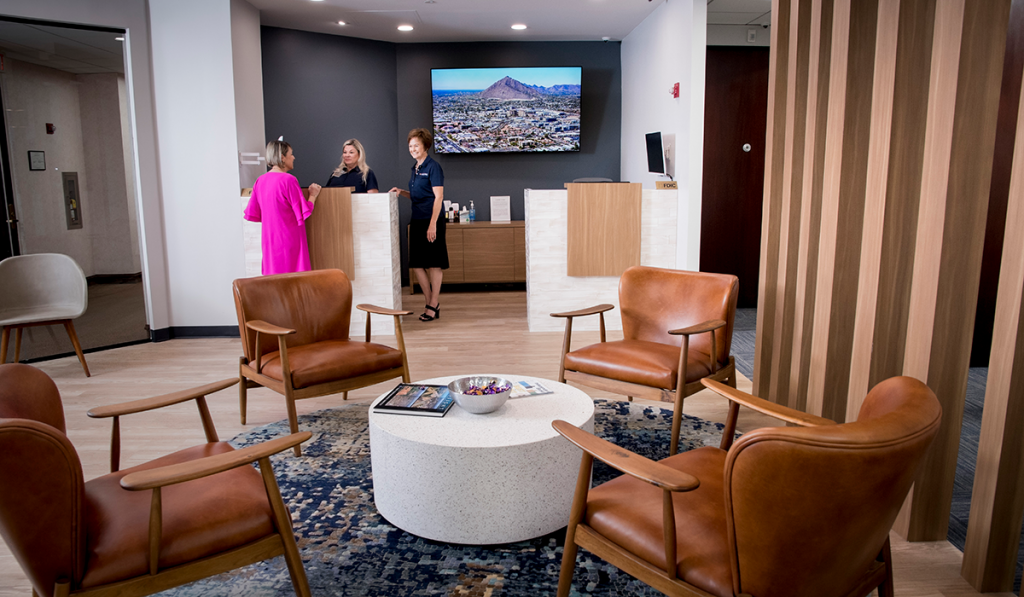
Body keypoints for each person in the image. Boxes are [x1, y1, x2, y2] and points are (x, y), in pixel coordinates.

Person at [389, 128, 446, 322]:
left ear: (426, 146)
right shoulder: (415, 168)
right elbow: (417, 195)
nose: (412, 149)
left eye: (416, 146)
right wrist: (402, 192)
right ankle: (431, 303)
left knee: (434, 264)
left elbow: (438, 197)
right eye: (410, 146)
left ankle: (432, 304)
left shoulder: (433, 167)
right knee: (417, 264)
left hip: (432, 220)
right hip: (417, 220)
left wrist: (433, 224)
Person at [243, 139, 322, 275]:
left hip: (269, 241)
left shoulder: (260, 181)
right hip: (288, 240)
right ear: (282, 157)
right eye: (291, 154)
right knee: (293, 279)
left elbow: (254, 213)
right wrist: (313, 195)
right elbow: (304, 211)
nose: (294, 157)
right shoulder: (289, 180)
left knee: (275, 280)